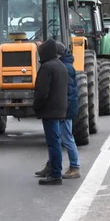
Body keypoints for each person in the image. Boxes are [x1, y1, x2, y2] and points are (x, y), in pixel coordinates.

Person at [32, 38, 68, 185]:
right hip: (59, 110)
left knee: (53, 144)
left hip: (50, 111)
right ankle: (54, 170)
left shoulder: (47, 68)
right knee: (56, 142)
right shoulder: (61, 66)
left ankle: (55, 174)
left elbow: (41, 92)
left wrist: (36, 106)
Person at [58, 40, 82, 179]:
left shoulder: (65, 68)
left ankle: (75, 167)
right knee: (63, 137)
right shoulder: (67, 66)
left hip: (66, 108)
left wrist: (62, 110)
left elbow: (65, 92)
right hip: (68, 107)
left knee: (67, 138)